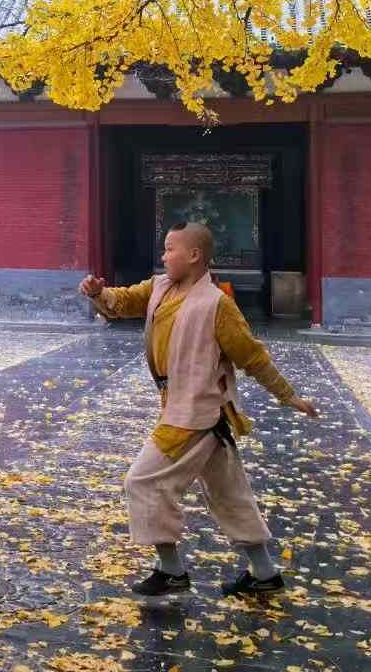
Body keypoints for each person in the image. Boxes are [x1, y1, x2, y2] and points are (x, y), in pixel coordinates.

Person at [81, 221, 319, 599]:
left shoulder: (216, 304)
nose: (163, 255)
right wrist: (100, 294)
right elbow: (123, 301)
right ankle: (263, 571)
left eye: (170, 248)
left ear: (194, 255)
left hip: (195, 412)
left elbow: (252, 356)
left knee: (142, 481)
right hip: (192, 409)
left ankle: (172, 570)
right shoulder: (160, 286)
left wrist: (287, 395)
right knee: (229, 492)